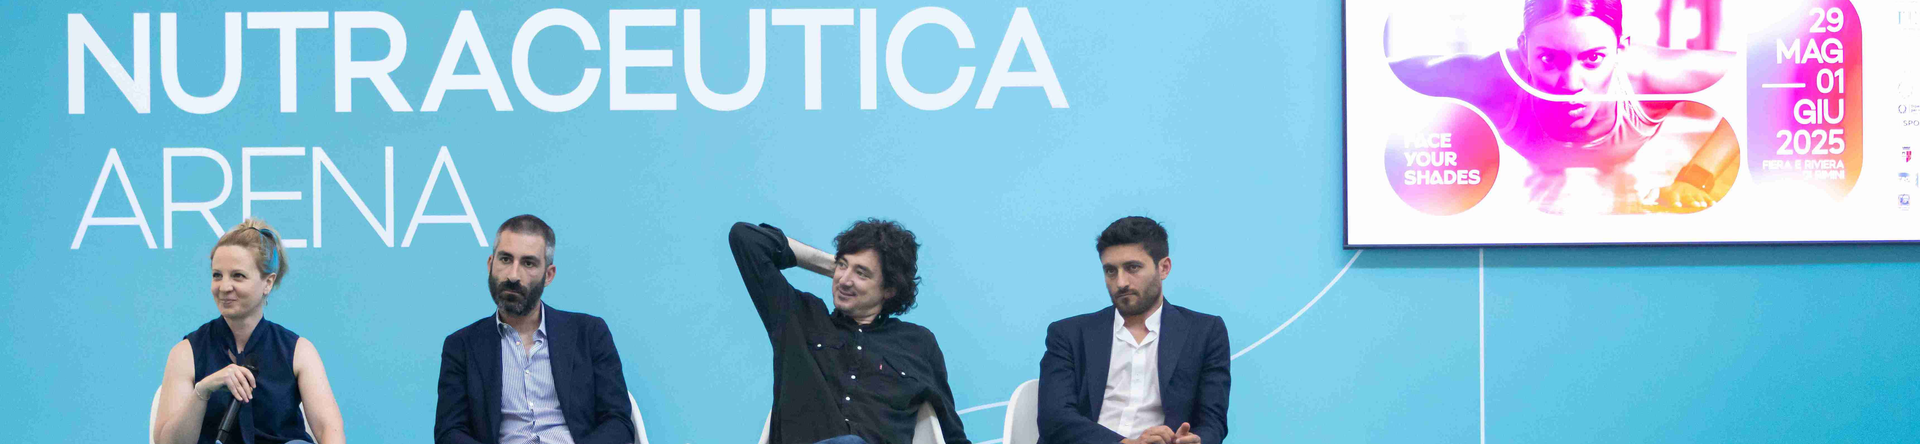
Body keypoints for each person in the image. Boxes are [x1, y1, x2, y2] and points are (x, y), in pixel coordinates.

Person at [1387, 0, 1740, 214]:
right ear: (1524, 49)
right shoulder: (1493, 81)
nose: (1570, 84)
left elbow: (1762, 78)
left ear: (1621, 49)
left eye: (1593, 59)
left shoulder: (1650, 77)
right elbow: (1381, 74)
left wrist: (1697, 177)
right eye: (1549, 59)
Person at [728, 220, 971, 444]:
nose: (844, 280)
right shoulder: (799, 318)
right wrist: (832, 265)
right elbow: (746, 238)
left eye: (861, 273)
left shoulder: (919, 344)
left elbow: (951, 434)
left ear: (889, 289)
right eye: (842, 265)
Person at [435, 215, 636, 444]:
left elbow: (619, 422)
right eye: (505, 259)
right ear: (490, 264)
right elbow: (449, 432)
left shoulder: (589, 334)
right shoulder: (462, 345)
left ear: (548, 275)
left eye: (528, 263)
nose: (513, 275)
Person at [153, 219, 346, 444]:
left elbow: (329, 431)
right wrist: (202, 391)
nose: (224, 287)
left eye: (238, 275)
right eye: (217, 275)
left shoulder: (298, 351)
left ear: (268, 283)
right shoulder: (186, 352)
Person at [1038, 217, 1229, 444]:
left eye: (1132, 268)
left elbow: (1213, 421)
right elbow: (1054, 418)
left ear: (1164, 268)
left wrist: (1196, 441)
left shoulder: (1204, 332)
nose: (1121, 283)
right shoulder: (1068, 334)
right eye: (1111, 271)